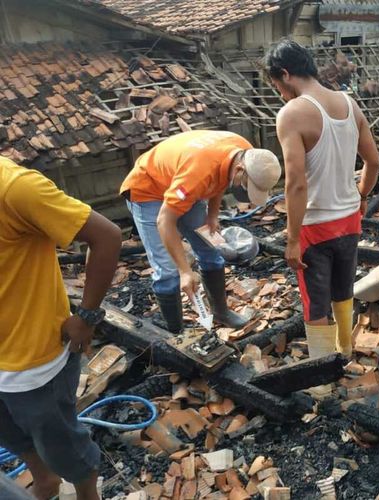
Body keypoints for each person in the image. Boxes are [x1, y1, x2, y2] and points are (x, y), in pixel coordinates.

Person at [0, 157, 121, 500]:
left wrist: (87, 316)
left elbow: (107, 237)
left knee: (65, 450)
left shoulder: (15, 188)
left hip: (33, 364)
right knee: (16, 439)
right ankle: (45, 482)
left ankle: (86, 494)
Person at [265, 40, 379, 358]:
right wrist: (362, 197)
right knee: (343, 291)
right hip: (349, 222)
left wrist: (291, 240)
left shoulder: (291, 114)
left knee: (315, 304)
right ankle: (345, 351)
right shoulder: (349, 103)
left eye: (276, 85)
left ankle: (322, 378)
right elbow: (373, 162)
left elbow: (296, 184)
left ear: (286, 75)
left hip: (314, 228)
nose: (279, 93)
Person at [120, 131, 281, 333]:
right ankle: (175, 333)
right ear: (241, 169)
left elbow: (222, 176)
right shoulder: (198, 173)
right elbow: (165, 220)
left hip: (184, 183)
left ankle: (221, 312)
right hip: (148, 189)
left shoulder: (245, 150)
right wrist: (185, 271)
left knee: (211, 251)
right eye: (248, 186)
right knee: (168, 270)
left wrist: (213, 214)